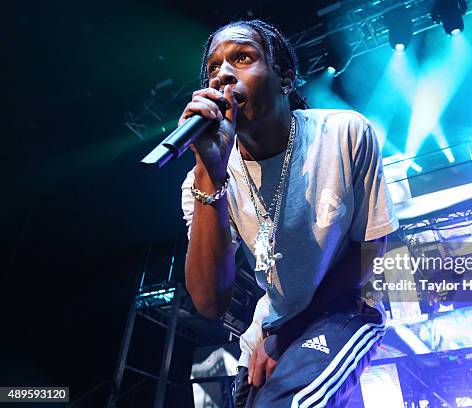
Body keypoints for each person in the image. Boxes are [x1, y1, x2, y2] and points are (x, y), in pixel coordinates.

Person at [180, 19, 398, 407]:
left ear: (284, 74)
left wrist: (286, 333)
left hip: (345, 305)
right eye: (214, 67)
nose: (223, 74)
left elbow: (370, 250)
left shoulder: (344, 134)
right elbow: (210, 302)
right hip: (272, 324)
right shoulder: (203, 181)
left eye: (242, 57)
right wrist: (208, 174)